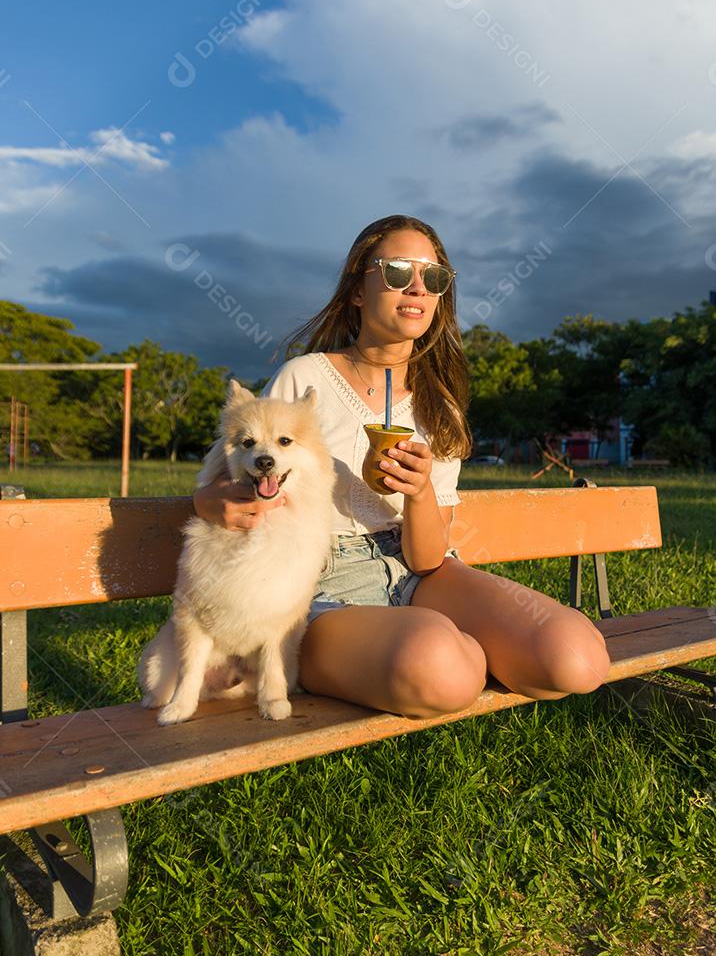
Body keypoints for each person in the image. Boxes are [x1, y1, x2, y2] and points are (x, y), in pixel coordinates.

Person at [193, 214, 611, 720]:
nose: (416, 287)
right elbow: (221, 481)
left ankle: (435, 648)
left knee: (576, 658)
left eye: (433, 278)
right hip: (313, 583)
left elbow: (429, 558)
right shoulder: (305, 380)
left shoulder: (441, 407)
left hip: (416, 573)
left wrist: (418, 495)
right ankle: (431, 652)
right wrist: (208, 502)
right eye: (396, 272)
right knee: (444, 666)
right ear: (357, 290)